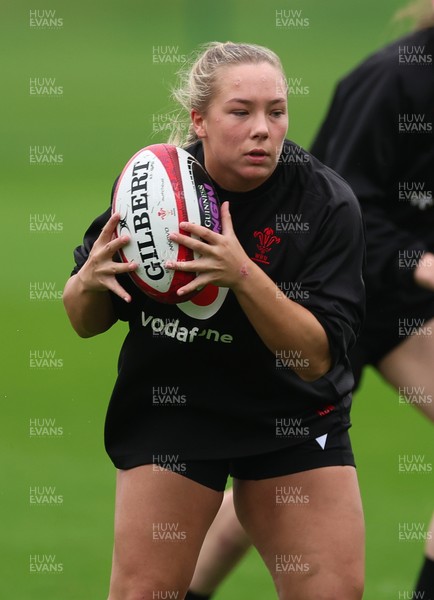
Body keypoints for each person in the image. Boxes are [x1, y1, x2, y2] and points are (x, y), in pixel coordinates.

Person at [63, 41, 366, 600]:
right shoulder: (156, 188)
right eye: (241, 111)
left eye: (276, 111)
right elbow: (86, 320)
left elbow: (316, 357)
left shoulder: (325, 203)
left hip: (289, 414)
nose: (263, 129)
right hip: (175, 408)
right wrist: (86, 283)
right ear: (198, 120)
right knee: (144, 593)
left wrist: (242, 275)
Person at [185, 4, 434, 598]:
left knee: (278, 475)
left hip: (406, 308)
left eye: (274, 110)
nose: (262, 124)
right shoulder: (395, 78)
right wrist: (422, 263)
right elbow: (344, 208)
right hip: (339, 294)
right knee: (275, 466)